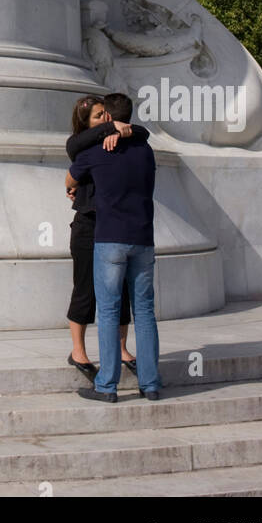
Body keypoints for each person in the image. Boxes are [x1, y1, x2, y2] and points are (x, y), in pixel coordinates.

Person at [65, 91, 161, 402]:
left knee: (107, 311)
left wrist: (73, 187)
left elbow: (69, 179)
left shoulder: (97, 152)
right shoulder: (146, 150)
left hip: (110, 239)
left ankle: (107, 385)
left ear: (109, 117)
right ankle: (151, 384)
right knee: (144, 312)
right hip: (144, 237)